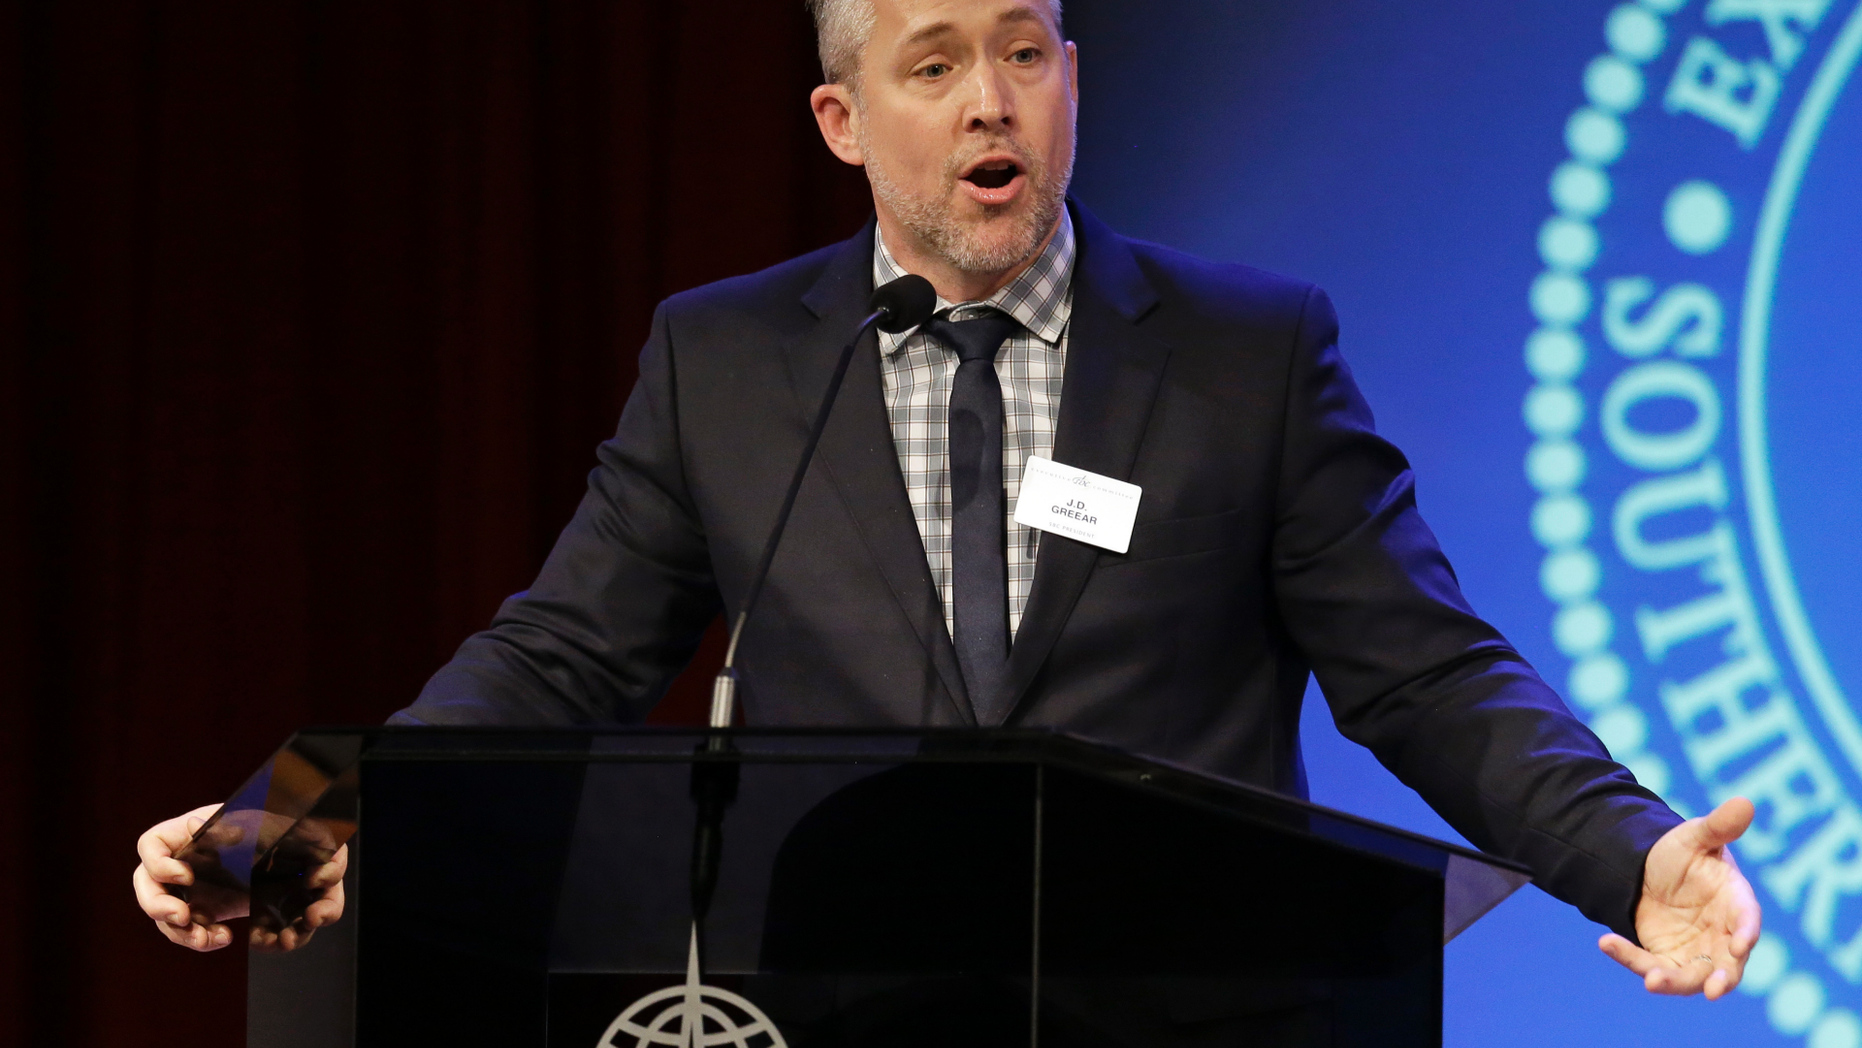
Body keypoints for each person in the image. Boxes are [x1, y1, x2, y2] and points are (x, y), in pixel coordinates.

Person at [135, 0, 1760, 1012]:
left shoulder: (1242, 351)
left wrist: (1625, 857)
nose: (992, 100)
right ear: (845, 122)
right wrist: (292, 810)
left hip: (1190, 1012)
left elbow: (1422, 671)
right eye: (936, 63)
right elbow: (558, 654)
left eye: (1024, 51)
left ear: (1070, 80)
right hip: (845, 1011)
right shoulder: (730, 361)